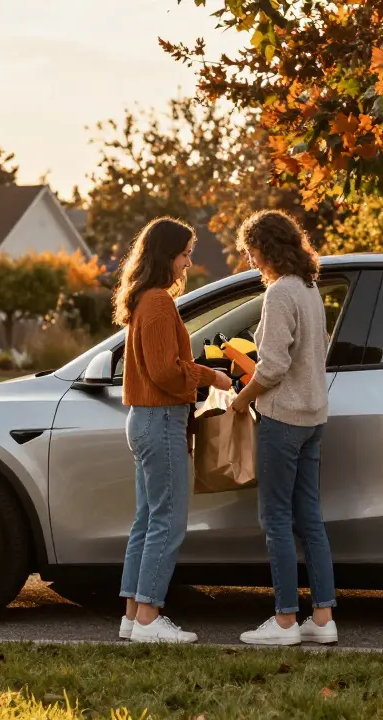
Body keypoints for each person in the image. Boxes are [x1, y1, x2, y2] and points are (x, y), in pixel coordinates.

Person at [113, 217, 232, 644]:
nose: (188, 262)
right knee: (168, 521)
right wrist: (209, 376)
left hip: (143, 419)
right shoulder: (159, 303)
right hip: (161, 418)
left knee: (147, 520)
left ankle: (133, 614)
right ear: (167, 256)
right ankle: (149, 618)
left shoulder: (143, 301)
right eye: (184, 254)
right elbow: (166, 371)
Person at [229, 210, 339, 646]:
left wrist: (241, 397)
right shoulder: (310, 289)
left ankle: (285, 622)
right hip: (314, 416)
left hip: (283, 419)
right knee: (309, 519)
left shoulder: (279, 294)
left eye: (252, 251)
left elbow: (272, 367)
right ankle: (324, 618)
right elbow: (318, 351)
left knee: (274, 518)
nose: (252, 260)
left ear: (267, 248)